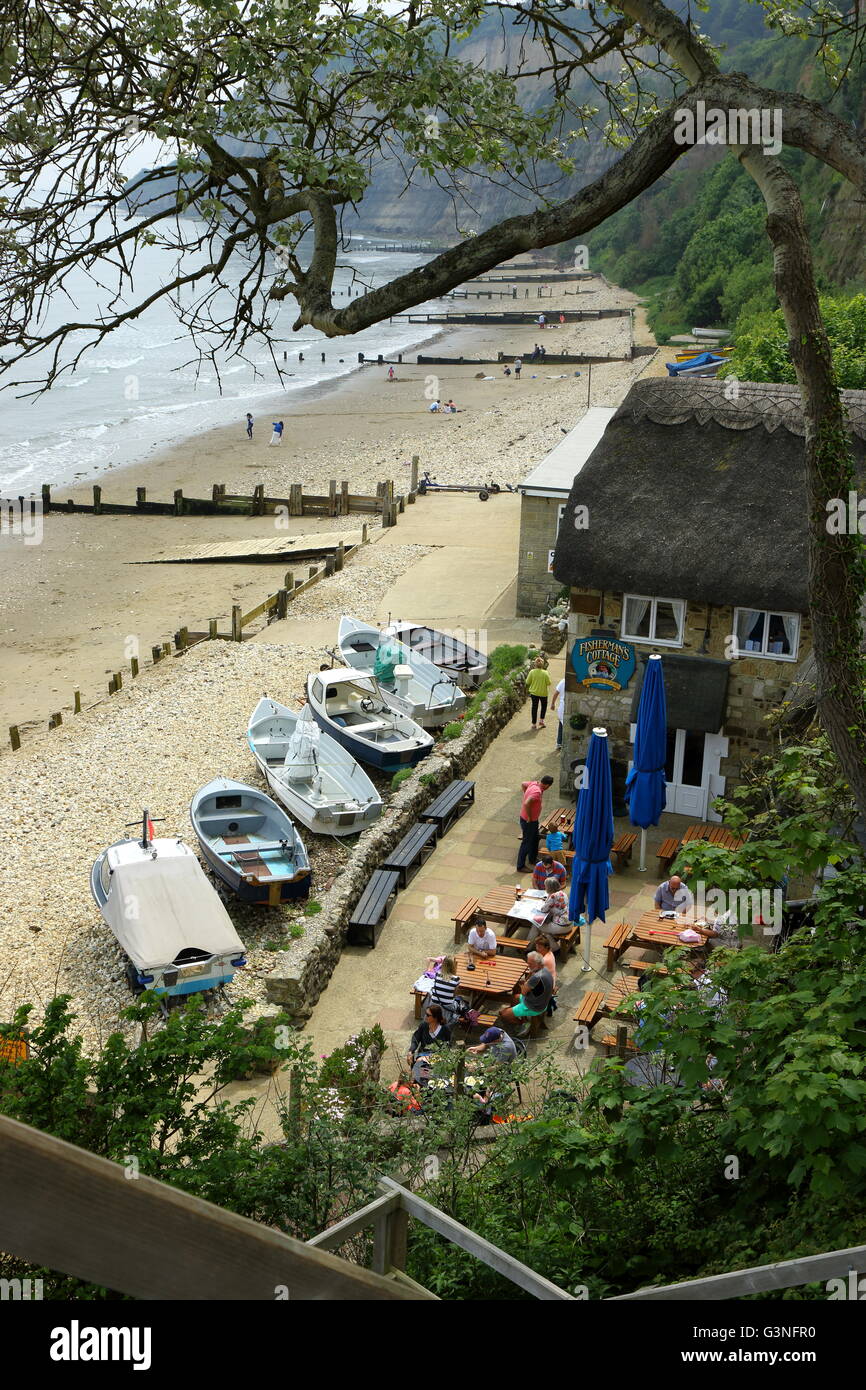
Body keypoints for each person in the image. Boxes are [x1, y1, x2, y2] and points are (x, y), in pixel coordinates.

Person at [499, 952, 554, 1033]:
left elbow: (524, 992)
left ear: (538, 964)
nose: (528, 965)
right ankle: (520, 1015)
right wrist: (527, 981)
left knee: (503, 1014)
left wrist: (524, 984)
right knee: (515, 998)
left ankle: (523, 1023)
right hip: (543, 1002)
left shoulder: (536, 977)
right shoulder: (545, 970)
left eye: (530, 964)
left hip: (534, 1007)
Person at [517, 774, 554, 871]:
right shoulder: (537, 792)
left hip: (532, 820)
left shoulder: (534, 784)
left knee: (534, 838)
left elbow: (523, 784)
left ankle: (532, 859)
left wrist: (525, 793)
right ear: (547, 785)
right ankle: (520, 866)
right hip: (528, 821)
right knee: (526, 842)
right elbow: (527, 803)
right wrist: (529, 816)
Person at [406, 1003, 451, 1073]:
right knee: (418, 1069)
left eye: (428, 1015)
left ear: (435, 1017)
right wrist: (411, 1051)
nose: (425, 1016)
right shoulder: (423, 1026)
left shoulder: (445, 1029)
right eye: (425, 1013)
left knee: (427, 1072)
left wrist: (431, 1058)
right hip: (423, 1054)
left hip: (438, 1057)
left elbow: (446, 1048)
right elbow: (415, 1038)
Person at [527, 877, 570, 948]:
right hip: (569, 923)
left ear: (549, 887)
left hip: (561, 926)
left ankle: (527, 947)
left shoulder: (553, 896)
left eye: (545, 886)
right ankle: (554, 946)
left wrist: (547, 901)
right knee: (545, 928)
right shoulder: (563, 893)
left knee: (536, 925)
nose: (545, 887)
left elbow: (543, 909)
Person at [429, 955, 461, 1022]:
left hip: (434, 1003)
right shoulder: (456, 979)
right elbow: (454, 995)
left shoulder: (437, 974)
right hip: (447, 1005)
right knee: (459, 1000)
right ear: (453, 966)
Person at [526, 656, 552, 729]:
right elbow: (549, 683)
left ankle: (534, 724)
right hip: (543, 693)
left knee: (534, 708)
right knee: (543, 707)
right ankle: (541, 721)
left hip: (534, 693)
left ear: (535, 664)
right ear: (542, 664)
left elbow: (527, 682)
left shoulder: (532, 672)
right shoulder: (545, 673)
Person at [553, 675, 565, 748]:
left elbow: (556, 693)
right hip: (563, 706)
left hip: (562, 707)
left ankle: (559, 742)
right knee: (562, 725)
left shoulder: (563, 681)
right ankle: (560, 743)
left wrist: (552, 703)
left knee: (561, 724)